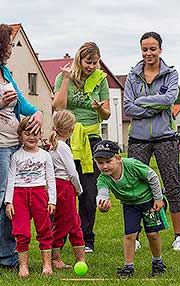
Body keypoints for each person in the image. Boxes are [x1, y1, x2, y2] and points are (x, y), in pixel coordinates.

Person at [123, 32, 180, 251]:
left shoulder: (171, 74)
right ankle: (136, 234)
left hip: (165, 138)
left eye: (152, 49)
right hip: (138, 139)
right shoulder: (133, 76)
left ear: (160, 49)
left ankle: (179, 237)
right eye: (144, 49)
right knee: (136, 186)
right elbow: (127, 107)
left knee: (172, 183)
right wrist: (154, 108)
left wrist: (142, 101)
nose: (148, 53)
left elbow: (170, 99)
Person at [53, 42, 111, 253]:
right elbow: (58, 106)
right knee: (64, 189)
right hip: (66, 138)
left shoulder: (100, 79)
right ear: (79, 59)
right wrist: (67, 80)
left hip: (91, 139)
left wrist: (99, 109)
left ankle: (87, 238)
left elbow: (107, 114)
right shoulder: (64, 77)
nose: (92, 66)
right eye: (88, 62)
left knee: (88, 191)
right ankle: (58, 237)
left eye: (95, 62)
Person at [0, 23, 43, 269]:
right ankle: (6, 258)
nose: (10, 48)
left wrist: (36, 113)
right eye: (7, 43)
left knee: (12, 199)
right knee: (4, 200)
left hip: (14, 144)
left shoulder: (5, 73)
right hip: (0, 148)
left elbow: (24, 105)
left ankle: (8, 253)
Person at [93, 140, 168, 278]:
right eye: (100, 162)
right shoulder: (103, 179)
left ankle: (157, 262)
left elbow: (151, 176)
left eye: (108, 161)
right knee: (129, 235)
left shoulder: (132, 165)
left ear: (118, 159)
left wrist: (158, 198)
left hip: (148, 202)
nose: (104, 166)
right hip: (130, 206)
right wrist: (103, 204)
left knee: (152, 234)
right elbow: (102, 194)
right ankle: (128, 267)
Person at [5, 116, 56, 277]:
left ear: (41, 135)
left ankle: (47, 265)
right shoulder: (16, 156)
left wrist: (52, 200)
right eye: (27, 133)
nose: (31, 137)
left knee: (44, 229)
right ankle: (23, 266)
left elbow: (51, 178)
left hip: (39, 194)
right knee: (22, 231)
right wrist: (8, 202)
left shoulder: (45, 156)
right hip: (19, 196)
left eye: (35, 133)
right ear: (20, 136)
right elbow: (10, 179)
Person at [49, 110, 85, 268]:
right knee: (64, 222)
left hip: (59, 186)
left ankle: (80, 258)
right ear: (71, 129)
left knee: (74, 221)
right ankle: (55, 258)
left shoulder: (53, 145)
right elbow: (72, 172)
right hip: (64, 187)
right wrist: (79, 189)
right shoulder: (62, 147)